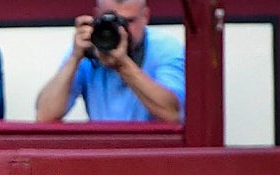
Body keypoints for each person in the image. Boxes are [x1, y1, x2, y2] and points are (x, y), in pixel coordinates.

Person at [34, 0, 183, 123]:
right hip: (103, 149)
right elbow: (44, 116)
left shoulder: (165, 47)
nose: (120, 30)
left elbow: (172, 114)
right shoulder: (89, 46)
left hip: (154, 151)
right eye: (112, 20)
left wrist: (123, 66)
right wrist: (74, 58)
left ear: (145, 16)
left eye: (128, 21)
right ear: (97, 16)